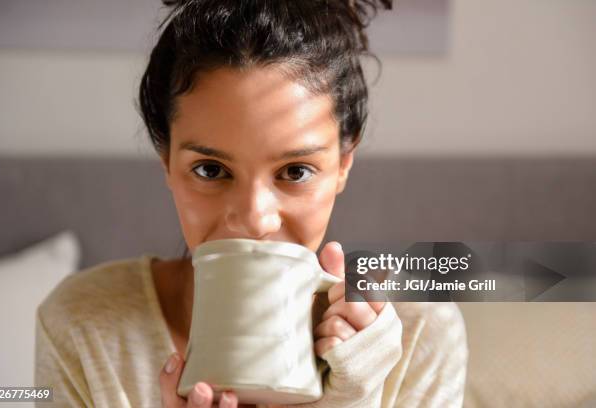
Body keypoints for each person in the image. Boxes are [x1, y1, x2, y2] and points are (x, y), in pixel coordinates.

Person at [35, 1, 468, 407]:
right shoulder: (81, 325)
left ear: (342, 166)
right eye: (210, 170)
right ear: (167, 163)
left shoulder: (421, 332)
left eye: (295, 172)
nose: (254, 219)